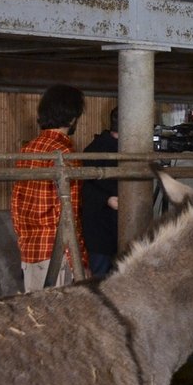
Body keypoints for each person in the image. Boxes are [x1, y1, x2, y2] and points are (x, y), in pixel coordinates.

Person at [12, 83, 88, 292]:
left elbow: (16, 203)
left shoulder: (27, 150)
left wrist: (24, 241)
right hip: (57, 254)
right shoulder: (65, 155)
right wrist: (78, 259)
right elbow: (68, 215)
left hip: (30, 249)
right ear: (72, 117)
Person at [81, 106, 119, 278]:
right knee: (100, 281)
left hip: (120, 228)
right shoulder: (95, 150)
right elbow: (84, 189)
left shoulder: (125, 149)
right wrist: (107, 199)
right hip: (101, 232)